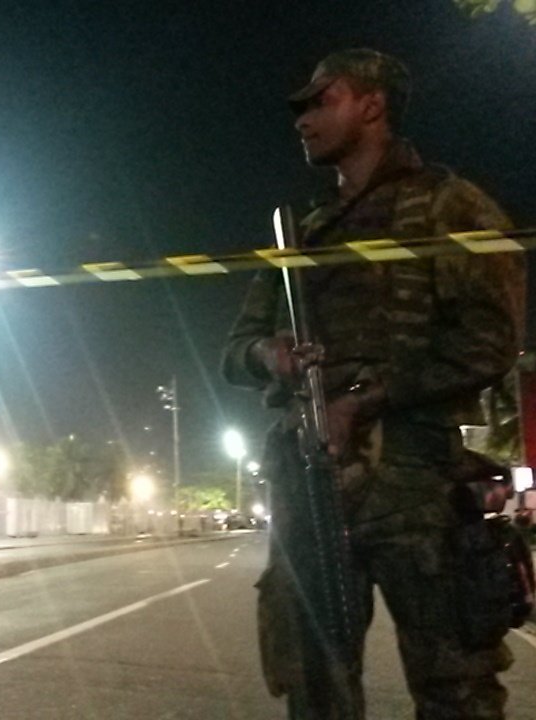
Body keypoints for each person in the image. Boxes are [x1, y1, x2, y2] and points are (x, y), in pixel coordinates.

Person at [221, 49, 526, 719]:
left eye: (322, 99)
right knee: (317, 691)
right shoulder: (301, 237)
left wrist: (364, 402)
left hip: (416, 484)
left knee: (457, 693)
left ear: (372, 104)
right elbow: (233, 353)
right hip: (310, 485)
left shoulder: (448, 205)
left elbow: (491, 341)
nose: (303, 119)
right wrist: (270, 358)